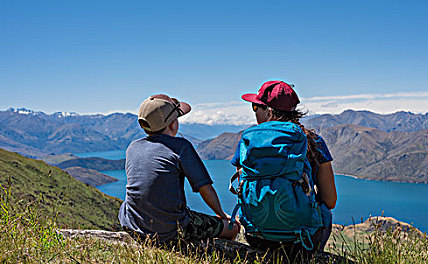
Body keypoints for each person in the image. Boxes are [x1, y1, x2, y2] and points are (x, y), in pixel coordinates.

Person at [231, 81, 337, 254]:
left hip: (257, 236)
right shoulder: (313, 141)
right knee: (324, 211)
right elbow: (330, 200)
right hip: (304, 240)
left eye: (256, 107)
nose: (255, 112)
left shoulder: (249, 143)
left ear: (269, 112)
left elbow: (244, 190)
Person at [119, 94, 238, 246]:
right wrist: (221, 215)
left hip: (133, 225)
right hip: (171, 230)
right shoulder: (181, 147)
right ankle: (226, 252)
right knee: (232, 228)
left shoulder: (133, 147)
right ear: (173, 124)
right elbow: (205, 188)